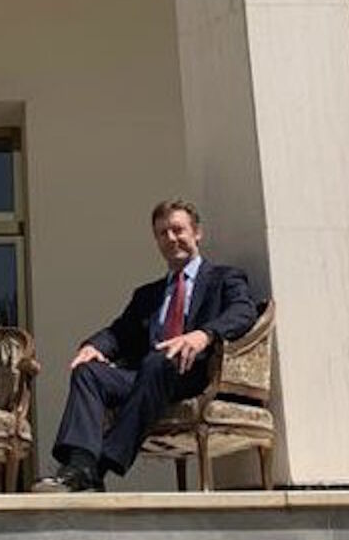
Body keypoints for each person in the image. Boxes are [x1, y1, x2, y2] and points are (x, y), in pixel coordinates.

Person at [33, 199, 258, 492]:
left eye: (178, 230)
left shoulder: (224, 278)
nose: (171, 238)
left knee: (158, 359)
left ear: (197, 233)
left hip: (193, 374)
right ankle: (80, 464)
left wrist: (203, 334)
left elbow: (244, 312)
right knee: (88, 372)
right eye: (163, 233)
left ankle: (99, 465)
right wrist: (94, 346)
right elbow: (119, 333)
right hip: (148, 376)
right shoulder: (147, 295)